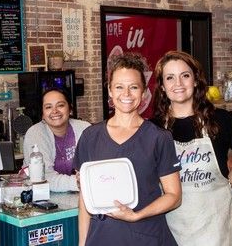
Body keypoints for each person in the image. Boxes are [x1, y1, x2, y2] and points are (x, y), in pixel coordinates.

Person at [152, 50, 232, 246]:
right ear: (162, 86)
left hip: (216, 228)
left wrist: (230, 181)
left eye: (185, 76)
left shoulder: (219, 120)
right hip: (173, 229)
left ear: (195, 80)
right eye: (170, 78)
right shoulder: (154, 128)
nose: (178, 84)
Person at [73, 53, 182, 246]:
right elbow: (85, 199)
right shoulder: (90, 137)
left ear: (143, 92)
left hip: (146, 236)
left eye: (133, 87)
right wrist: (82, 243)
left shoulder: (158, 137)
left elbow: (174, 196)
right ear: (110, 91)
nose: (126, 94)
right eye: (119, 87)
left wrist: (136, 215)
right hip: (102, 237)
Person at [23, 87, 90, 192]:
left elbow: (96, 165)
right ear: (43, 114)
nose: (54, 111)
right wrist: (80, 182)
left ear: (70, 109)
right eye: (48, 107)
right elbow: (43, 177)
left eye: (60, 105)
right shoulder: (35, 134)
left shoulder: (85, 129)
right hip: (43, 197)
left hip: (83, 194)